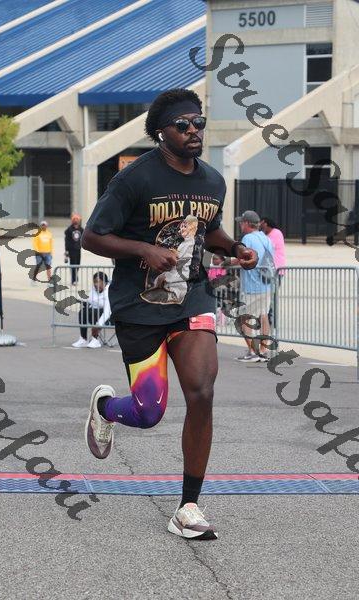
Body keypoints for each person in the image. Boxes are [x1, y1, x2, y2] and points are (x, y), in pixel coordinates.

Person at [81, 88, 257, 540]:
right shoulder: (134, 179)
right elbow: (93, 237)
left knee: (202, 391)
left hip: (192, 299)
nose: (194, 130)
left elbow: (209, 228)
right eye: (183, 125)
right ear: (162, 132)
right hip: (138, 306)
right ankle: (105, 407)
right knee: (148, 412)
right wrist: (144, 250)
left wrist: (235, 247)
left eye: (199, 123)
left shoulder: (212, 181)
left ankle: (188, 507)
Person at [235, 210, 275, 363]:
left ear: (247, 223)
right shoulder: (266, 238)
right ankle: (263, 351)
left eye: (241, 222)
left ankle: (253, 352)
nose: (240, 225)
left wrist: (226, 262)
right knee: (263, 316)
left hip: (252, 285)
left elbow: (242, 257)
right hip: (266, 284)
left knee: (243, 319)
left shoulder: (248, 238)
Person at [72, 272, 111, 348]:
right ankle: (83, 339)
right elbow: (91, 302)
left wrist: (98, 324)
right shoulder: (93, 289)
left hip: (107, 317)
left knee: (95, 312)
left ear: (105, 282)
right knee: (83, 311)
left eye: (98, 282)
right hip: (94, 314)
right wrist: (83, 303)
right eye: (95, 282)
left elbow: (107, 311)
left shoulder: (109, 292)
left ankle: (95, 340)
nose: (96, 284)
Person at [260, 217, 286, 326]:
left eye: (261, 223)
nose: (260, 226)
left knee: (271, 297)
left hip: (275, 271)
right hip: (270, 270)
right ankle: (268, 319)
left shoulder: (276, 233)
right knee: (268, 296)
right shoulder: (267, 235)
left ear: (266, 224)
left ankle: (272, 320)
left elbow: (266, 246)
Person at [65, 214, 84, 285]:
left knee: (78, 264)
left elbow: (84, 237)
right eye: (74, 219)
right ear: (72, 221)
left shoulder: (81, 229)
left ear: (79, 221)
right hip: (71, 250)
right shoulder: (69, 229)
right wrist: (66, 251)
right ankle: (74, 280)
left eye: (77, 219)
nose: (76, 220)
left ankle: (75, 276)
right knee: (73, 264)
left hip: (78, 249)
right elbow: (66, 240)